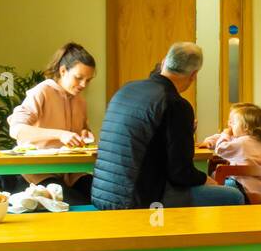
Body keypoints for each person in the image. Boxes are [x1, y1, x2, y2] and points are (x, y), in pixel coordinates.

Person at [91, 42, 245, 210]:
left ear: (164, 62)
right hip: (141, 200)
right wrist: (207, 180)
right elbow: (180, 174)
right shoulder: (175, 104)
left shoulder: (126, 90)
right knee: (234, 196)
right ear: (193, 75)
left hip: (103, 194)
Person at [6, 42, 97, 205]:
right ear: (63, 71)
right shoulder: (41, 92)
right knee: (76, 204)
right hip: (39, 173)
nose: (83, 84)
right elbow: (16, 129)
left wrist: (84, 134)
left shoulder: (80, 102)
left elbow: (82, 130)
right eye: (79, 78)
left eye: (88, 80)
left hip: (71, 173)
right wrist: (60, 134)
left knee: (105, 198)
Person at [200, 102, 261, 201]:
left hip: (242, 187)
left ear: (246, 127)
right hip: (260, 188)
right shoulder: (260, 145)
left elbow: (221, 149)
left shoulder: (242, 143)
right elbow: (226, 139)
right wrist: (210, 141)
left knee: (211, 180)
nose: (229, 125)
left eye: (233, 123)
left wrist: (225, 134)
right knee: (214, 175)